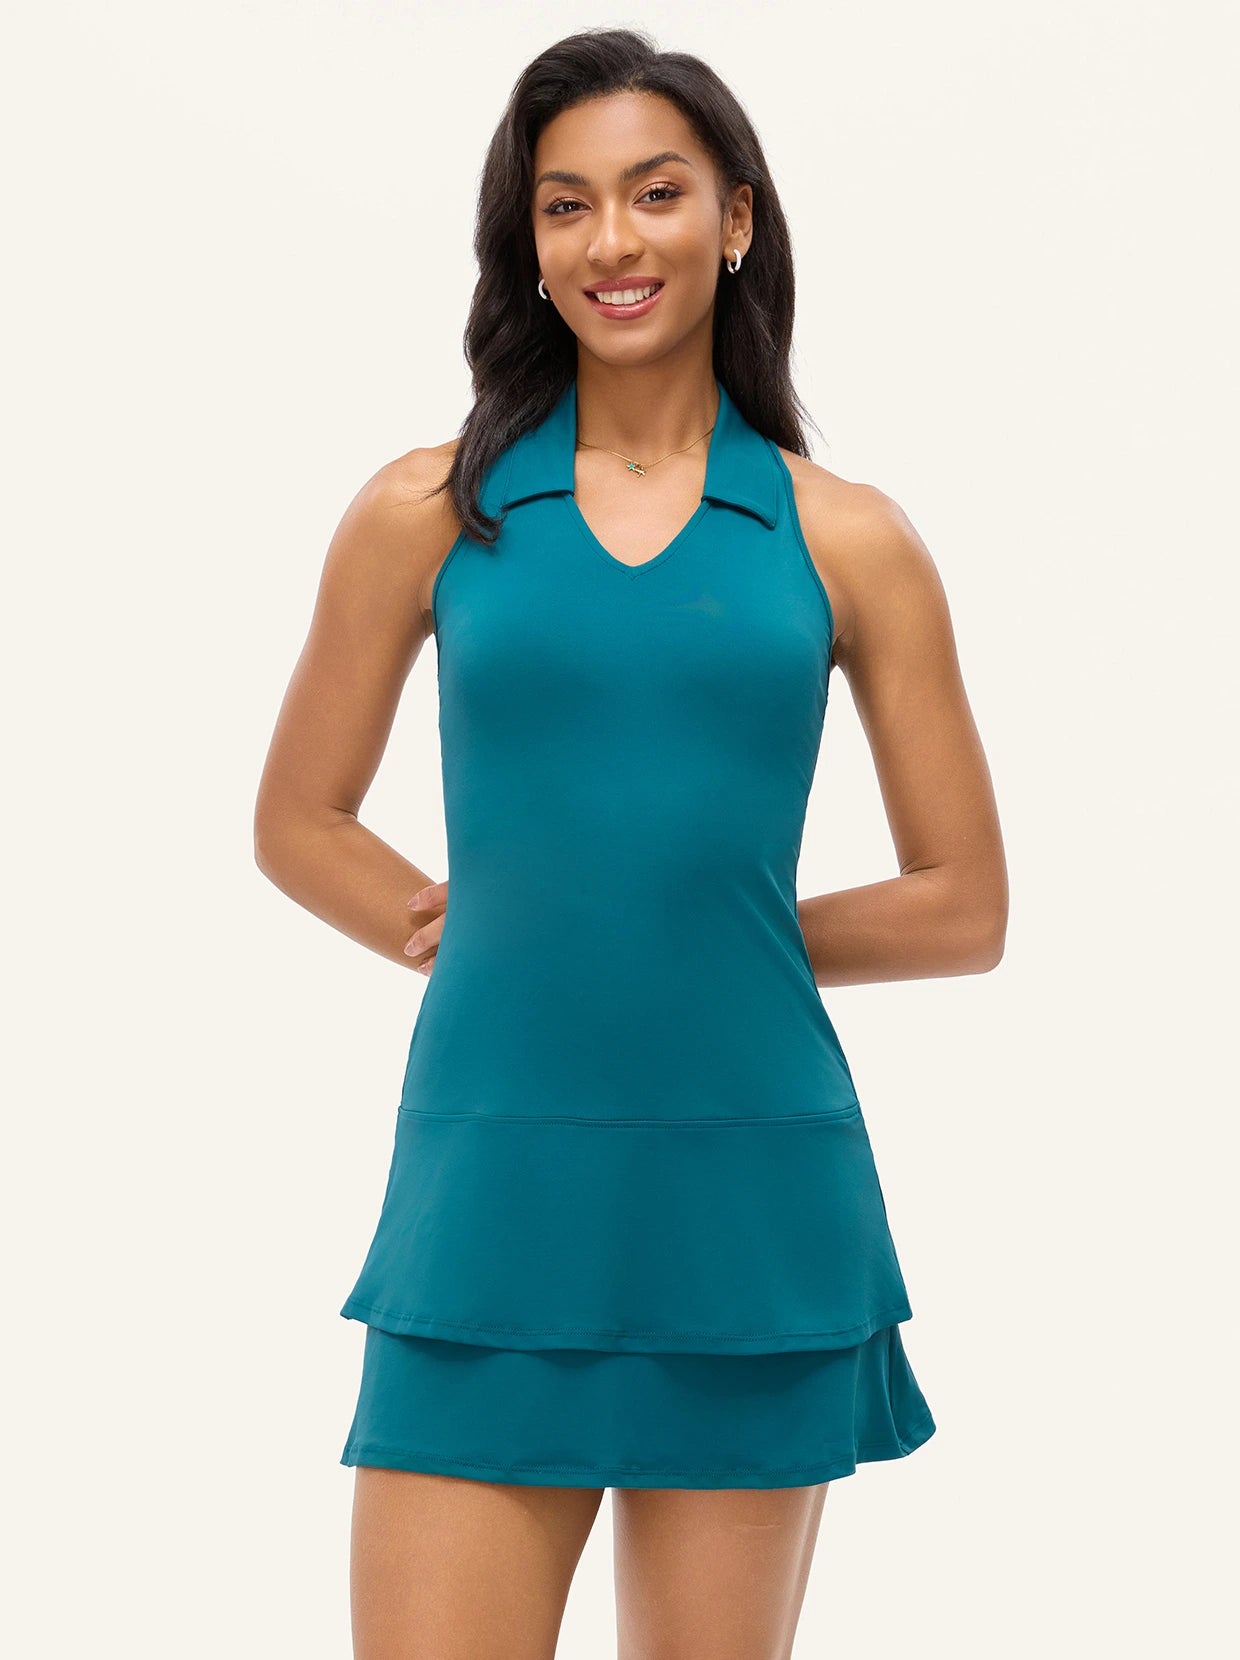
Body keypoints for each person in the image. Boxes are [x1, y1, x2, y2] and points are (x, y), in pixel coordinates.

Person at [254, 26, 1007, 1660]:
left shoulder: (848, 537)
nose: (613, 240)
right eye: (566, 204)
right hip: (489, 1195)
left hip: (750, 1201)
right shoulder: (426, 512)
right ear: (527, 245)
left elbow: (966, 904)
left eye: (656, 193)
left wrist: (702, 930)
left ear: (735, 218)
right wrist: (456, 916)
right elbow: (296, 819)